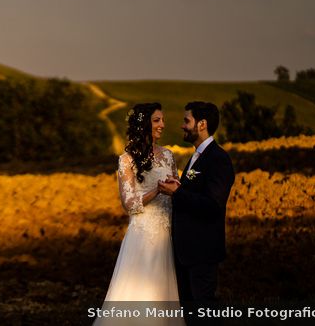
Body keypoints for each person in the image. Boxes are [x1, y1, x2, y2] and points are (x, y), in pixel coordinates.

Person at [95, 103, 183, 325]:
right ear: (144, 124)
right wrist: (157, 191)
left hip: (167, 232)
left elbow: (177, 190)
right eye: (157, 120)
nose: (162, 125)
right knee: (140, 292)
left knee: (163, 293)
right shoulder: (126, 159)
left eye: (162, 120)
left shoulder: (168, 155)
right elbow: (129, 203)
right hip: (143, 235)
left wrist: (176, 186)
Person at [158, 101, 235, 323]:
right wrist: (179, 188)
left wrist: (177, 194)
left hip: (202, 252)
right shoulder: (197, 156)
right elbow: (195, 193)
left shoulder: (218, 159)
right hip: (186, 253)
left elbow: (213, 205)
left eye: (186, 121)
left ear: (202, 124)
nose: (182, 126)